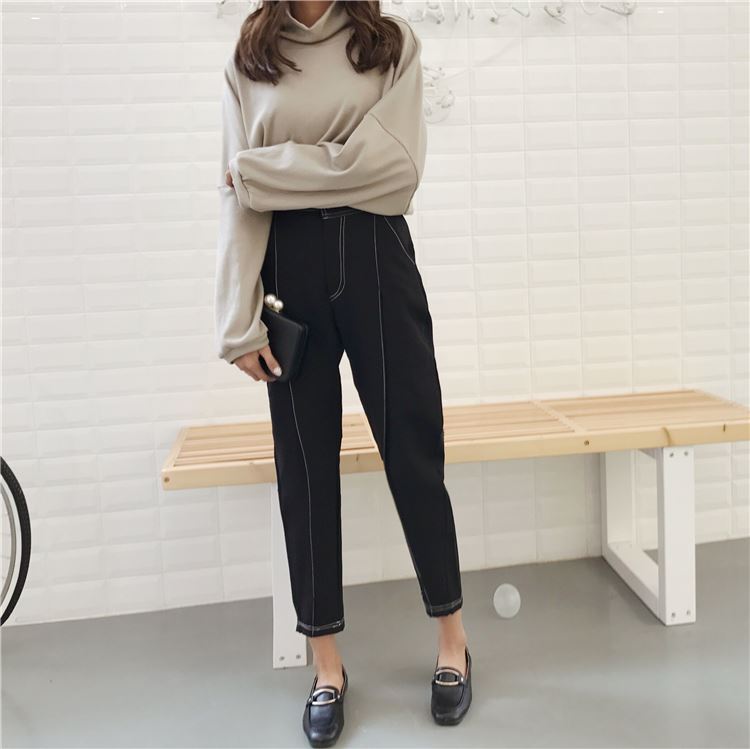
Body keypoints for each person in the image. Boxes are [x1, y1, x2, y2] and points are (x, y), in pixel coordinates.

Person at [215, 1, 472, 744]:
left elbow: (395, 172)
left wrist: (265, 169)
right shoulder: (251, 57)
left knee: (413, 448)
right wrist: (236, 321)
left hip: (377, 259)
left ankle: (453, 641)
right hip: (287, 270)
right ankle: (326, 663)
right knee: (303, 467)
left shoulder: (387, 43)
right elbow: (238, 204)